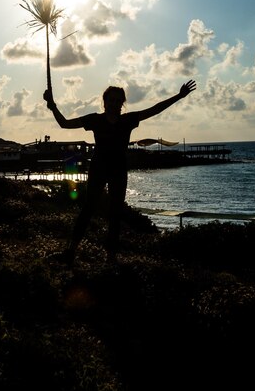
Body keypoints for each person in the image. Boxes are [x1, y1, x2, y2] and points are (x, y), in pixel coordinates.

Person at [43, 79, 196, 266]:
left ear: (122, 104)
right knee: (87, 210)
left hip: (118, 170)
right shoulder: (95, 120)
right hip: (98, 168)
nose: (114, 104)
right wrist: (52, 106)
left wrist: (179, 96)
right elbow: (64, 124)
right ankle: (70, 252)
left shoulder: (128, 120)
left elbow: (155, 109)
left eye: (118, 101)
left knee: (115, 214)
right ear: (104, 102)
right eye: (111, 100)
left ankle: (111, 260)